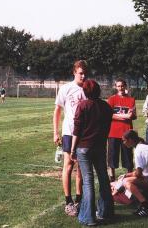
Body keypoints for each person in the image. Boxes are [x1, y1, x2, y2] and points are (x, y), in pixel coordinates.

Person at [71, 80, 114, 226]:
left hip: (84, 147)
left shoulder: (83, 105)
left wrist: (72, 150)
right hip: (100, 147)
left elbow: (76, 131)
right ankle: (106, 212)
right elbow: (107, 128)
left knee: (88, 182)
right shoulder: (106, 107)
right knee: (103, 179)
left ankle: (88, 218)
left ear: (85, 91)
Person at [53, 60, 88, 217]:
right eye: (80, 73)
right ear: (74, 72)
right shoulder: (66, 88)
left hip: (85, 134)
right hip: (69, 133)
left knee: (81, 167)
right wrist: (55, 132)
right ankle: (68, 202)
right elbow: (57, 111)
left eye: (85, 73)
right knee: (68, 165)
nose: (83, 75)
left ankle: (79, 199)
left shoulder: (89, 88)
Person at [116, 130, 148, 217]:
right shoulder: (143, 146)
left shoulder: (138, 150)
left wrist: (126, 177)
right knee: (125, 180)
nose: (123, 143)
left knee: (126, 182)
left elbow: (138, 174)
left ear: (130, 140)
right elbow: (139, 172)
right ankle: (145, 203)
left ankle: (146, 205)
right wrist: (126, 175)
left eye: (124, 140)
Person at [107, 78, 137, 182]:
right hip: (113, 132)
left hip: (127, 132)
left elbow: (133, 116)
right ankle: (112, 178)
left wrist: (131, 115)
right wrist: (124, 116)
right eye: (118, 86)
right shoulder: (112, 99)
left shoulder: (131, 99)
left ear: (125, 86)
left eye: (122, 86)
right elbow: (108, 115)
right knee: (112, 157)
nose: (121, 88)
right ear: (116, 87)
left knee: (128, 157)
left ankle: (129, 178)